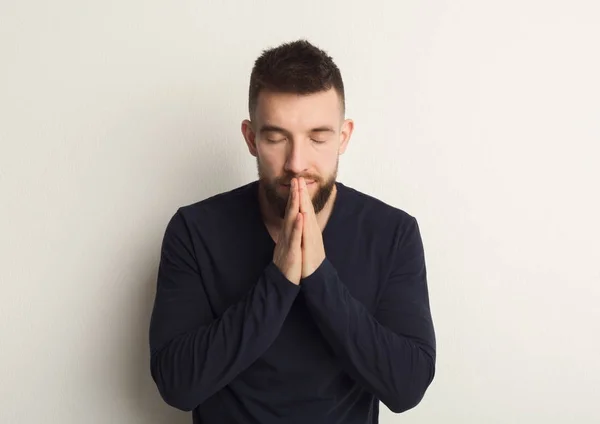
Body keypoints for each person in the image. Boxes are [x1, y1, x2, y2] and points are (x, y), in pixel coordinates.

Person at [149, 39, 436, 424]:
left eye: (318, 138)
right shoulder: (194, 230)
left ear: (344, 137)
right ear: (251, 139)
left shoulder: (393, 233)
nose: (297, 162)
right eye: (276, 137)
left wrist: (319, 275)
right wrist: (279, 281)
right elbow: (177, 385)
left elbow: (407, 387)